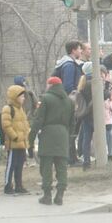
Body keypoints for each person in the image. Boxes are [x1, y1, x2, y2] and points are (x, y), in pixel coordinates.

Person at [31, 76, 74, 206]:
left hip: (48, 135)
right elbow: (73, 123)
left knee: (46, 167)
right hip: (63, 135)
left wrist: (31, 137)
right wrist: (69, 138)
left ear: (50, 85)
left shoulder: (46, 99)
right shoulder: (70, 101)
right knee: (62, 168)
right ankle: (60, 195)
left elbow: (38, 120)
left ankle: (47, 196)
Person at [0, 82, 31, 195]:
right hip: (14, 143)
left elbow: (24, 124)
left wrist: (26, 135)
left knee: (20, 165)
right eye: (21, 96)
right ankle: (8, 186)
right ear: (15, 96)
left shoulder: (21, 109)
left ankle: (19, 185)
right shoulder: (8, 108)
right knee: (11, 165)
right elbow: (6, 125)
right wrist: (15, 137)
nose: (23, 98)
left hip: (22, 142)